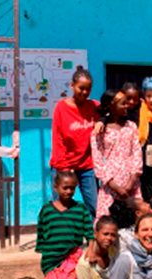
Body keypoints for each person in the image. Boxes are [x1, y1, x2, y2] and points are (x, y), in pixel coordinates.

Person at [49, 67, 99, 218]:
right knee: (61, 207)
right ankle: (61, 239)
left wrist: (101, 121)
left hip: (87, 167)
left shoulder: (94, 106)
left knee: (95, 206)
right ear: (72, 85)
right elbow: (58, 140)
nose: (85, 92)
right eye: (81, 88)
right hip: (65, 166)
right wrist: (64, 169)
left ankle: (93, 238)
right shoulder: (61, 108)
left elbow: (113, 108)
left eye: (88, 89)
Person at [91, 89, 143, 219]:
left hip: (131, 184)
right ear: (111, 106)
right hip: (110, 186)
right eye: (123, 103)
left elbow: (137, 153)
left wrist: (131, 182)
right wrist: (114, 186)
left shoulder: (131, 126)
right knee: (108, 222)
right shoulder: (100, 129)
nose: (127, 106)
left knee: (134, 220)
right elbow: (97, 161)